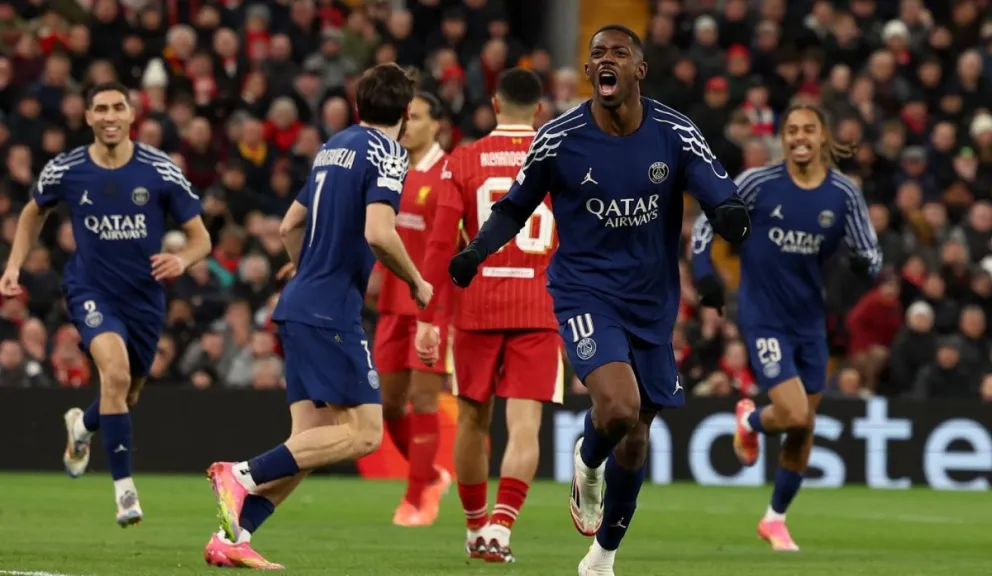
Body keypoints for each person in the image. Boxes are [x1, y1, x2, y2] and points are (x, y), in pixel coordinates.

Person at [445, 26, 750, 575]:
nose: (605, 60)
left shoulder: (675, 133)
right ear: (589, 73)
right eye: (596, 55)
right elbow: (515, 206)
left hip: (652, 302)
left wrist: (730, 217)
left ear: (639, 69)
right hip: (584, 290)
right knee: (617, 406)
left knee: (635, 437)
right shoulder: (559, 138)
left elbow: (718, 190)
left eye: (619, 53)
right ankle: (587, 464)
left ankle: (602, 557)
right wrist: (476, 251)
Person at [202, 63, 432, 569]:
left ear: (357, 107)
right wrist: (417, 281)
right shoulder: (389, 152)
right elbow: (379, 232)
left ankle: (231, 536)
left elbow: (291, 223)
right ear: (407, 112)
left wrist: (310, 269)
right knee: (366, 433)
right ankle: (240, 474)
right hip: (330, 310)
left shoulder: (335, 146)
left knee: (308, 443)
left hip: (301, 301)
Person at [0, 82, 211, 526]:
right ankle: (125, 492)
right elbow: (32, 212)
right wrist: (14, 264)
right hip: (91, 290)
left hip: (145, 297)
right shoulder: (66, 169)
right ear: (89, 117)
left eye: (118, 107)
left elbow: (201, 238)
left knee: (126, 394)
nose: (110, 116)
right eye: (101, 109)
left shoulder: (160, 170)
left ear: (132, 115)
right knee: (113, 375)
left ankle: (81, 427)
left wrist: (183, 259)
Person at [690, 104, 882, 551]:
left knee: (802, 426)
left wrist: (862, 265)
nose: (799, 137)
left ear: (822, 136)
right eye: (791, 129)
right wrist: (704, 273)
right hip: (763, 316)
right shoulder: (760, 182)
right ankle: (751, 420)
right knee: (794, 412)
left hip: (809, 321)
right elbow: (706, 221)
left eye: (808, 129)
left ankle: (774, 519)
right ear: (784, 137)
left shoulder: (844, 194)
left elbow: (871, 253)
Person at [415, 68, 560, 563]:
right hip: (539, 306)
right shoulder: (560, 154)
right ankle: (501, 527)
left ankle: (476, 528)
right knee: (525, 425)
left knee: (474, 420)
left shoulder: (465, 158)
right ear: (538, 110)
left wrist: (428, 315)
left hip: (475, 306)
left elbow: (439, 243)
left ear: (495, 105)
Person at [370, 91, 452, 527]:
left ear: (436, 124)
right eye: (404, 117)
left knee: (423, 400)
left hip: (433, 307)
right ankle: (432, 474)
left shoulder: (447, 174)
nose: (407, 125)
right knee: (387, 406)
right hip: (391, 305)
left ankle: (417, 496)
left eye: (416, 117)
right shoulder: (391, 170)